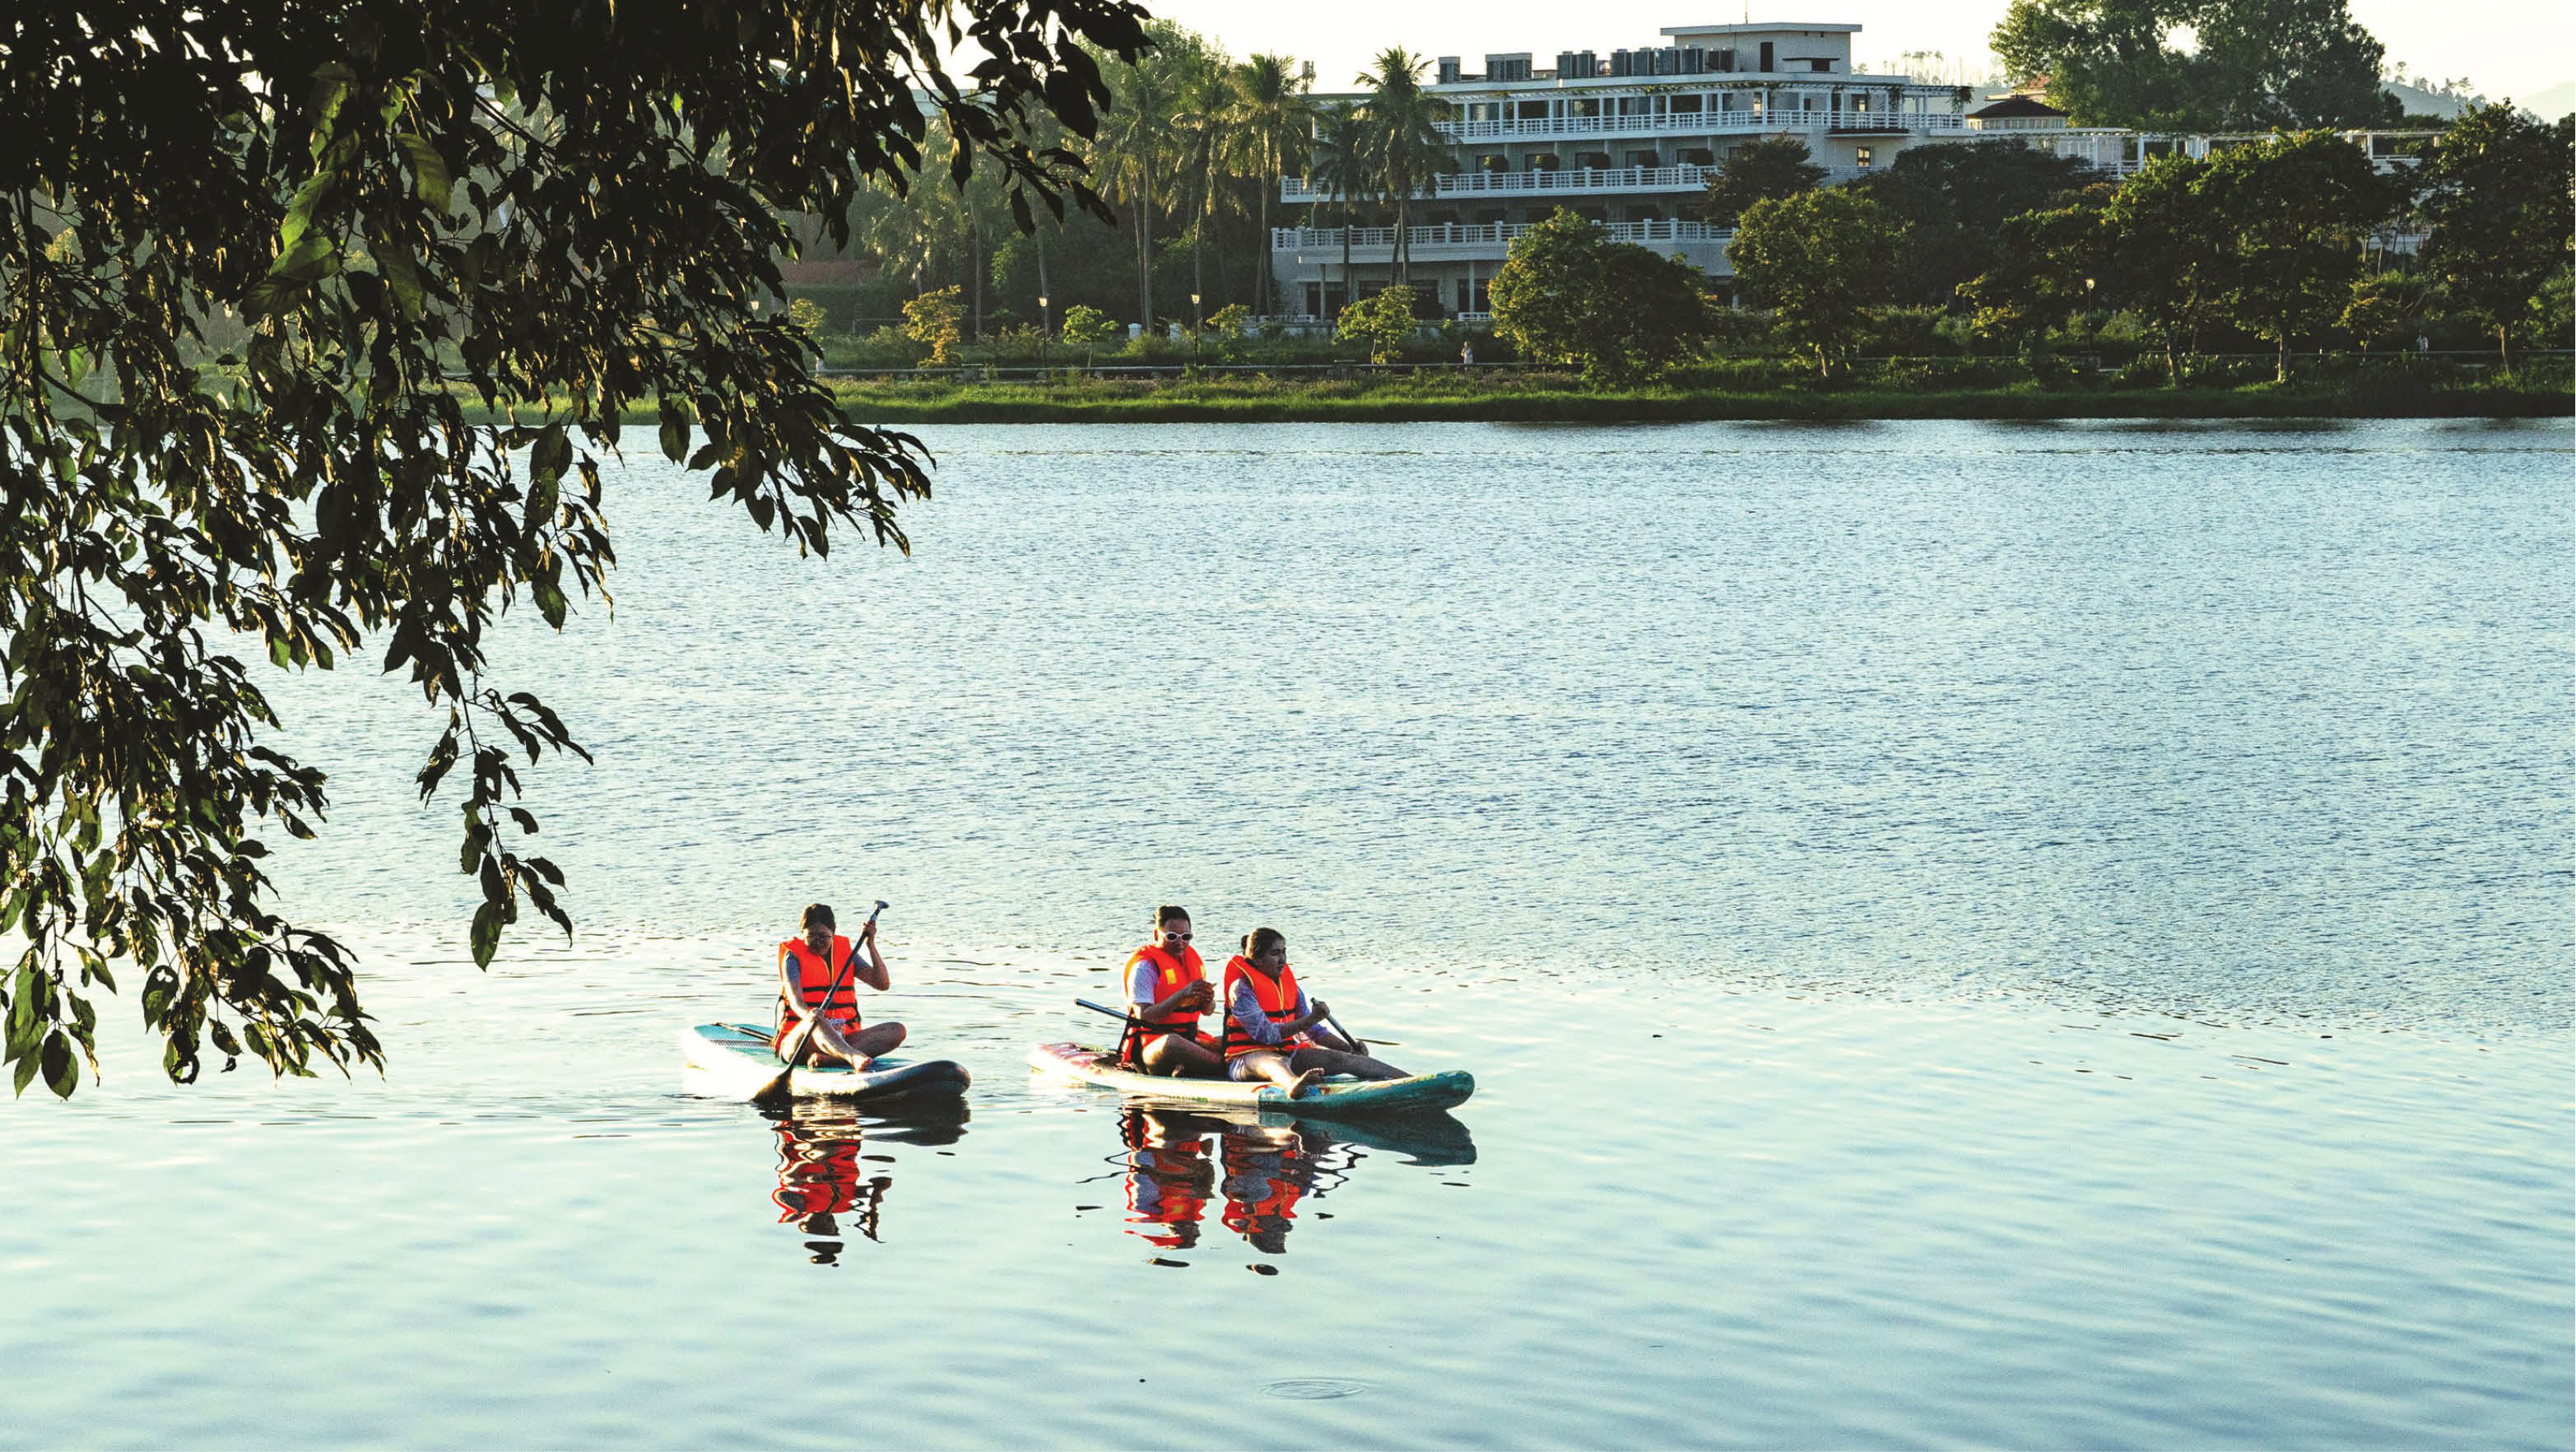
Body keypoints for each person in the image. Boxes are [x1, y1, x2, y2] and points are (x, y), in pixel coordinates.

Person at [1221, 927, 1408, 1097]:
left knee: (1341, 1059)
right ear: (1257, 959)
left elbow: (1315, 1032)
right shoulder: (1240, 988)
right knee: (1272, 1061)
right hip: (1245, 1060)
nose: (1283, 960)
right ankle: (1294, 1085)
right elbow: (1265, 1035)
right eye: (1275, 953)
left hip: (1287, 1054)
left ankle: (1407, 1080)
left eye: (1284, 952)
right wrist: (1310, 1019)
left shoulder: (1290, 985)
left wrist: (1348, 1049)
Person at [774, 903, 906, 1070]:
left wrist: (870, 945)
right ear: (803, 934)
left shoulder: (847, 954)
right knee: (815, 1019)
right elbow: (796, 1002)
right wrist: (810, 1014)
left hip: (842, 1039)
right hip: (802, 1041)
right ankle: (852, 1056)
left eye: (823, 936)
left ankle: (830, 1059)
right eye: (811, 936)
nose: (818, 942)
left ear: (833, 932)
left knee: (896, 1030)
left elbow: (882, 984)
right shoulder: (792, 958)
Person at [1121, 905, 1225, 1077]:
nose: (1180, 942)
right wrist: (1182, 995)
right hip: (1153, 1046)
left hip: (1191, 1039)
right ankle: (1226, 1067)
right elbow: (1144, 1015)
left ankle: (1194, 1066)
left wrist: (1208, 1000)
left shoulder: (1193, 962)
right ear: (1156, 935)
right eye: (1172, 937)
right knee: (1172, 1042)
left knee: (1229, 1041)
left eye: (1186, 937)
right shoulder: (1145, 967)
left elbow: (1208, 1012)